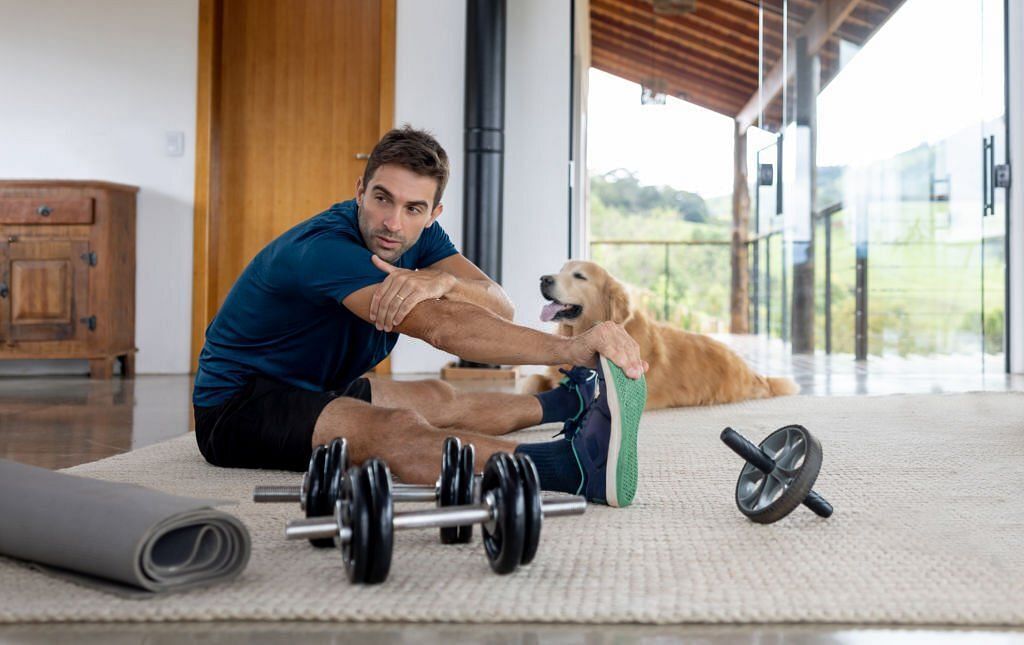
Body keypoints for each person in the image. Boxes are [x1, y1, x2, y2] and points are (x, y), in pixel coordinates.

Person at [193, 126, 648, 507]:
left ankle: (567, 402)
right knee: (395, 429)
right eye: (381, 199)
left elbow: (497, 301)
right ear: (359, 191)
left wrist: (447, 282)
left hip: (312, 386)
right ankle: (568, 469)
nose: (392, 222)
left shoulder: (419, 237)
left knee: (438, 396)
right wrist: (569, 348)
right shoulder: (326, 249)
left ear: (433, 214)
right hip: (239, 405)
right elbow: (439, 326)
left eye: (413, 208)